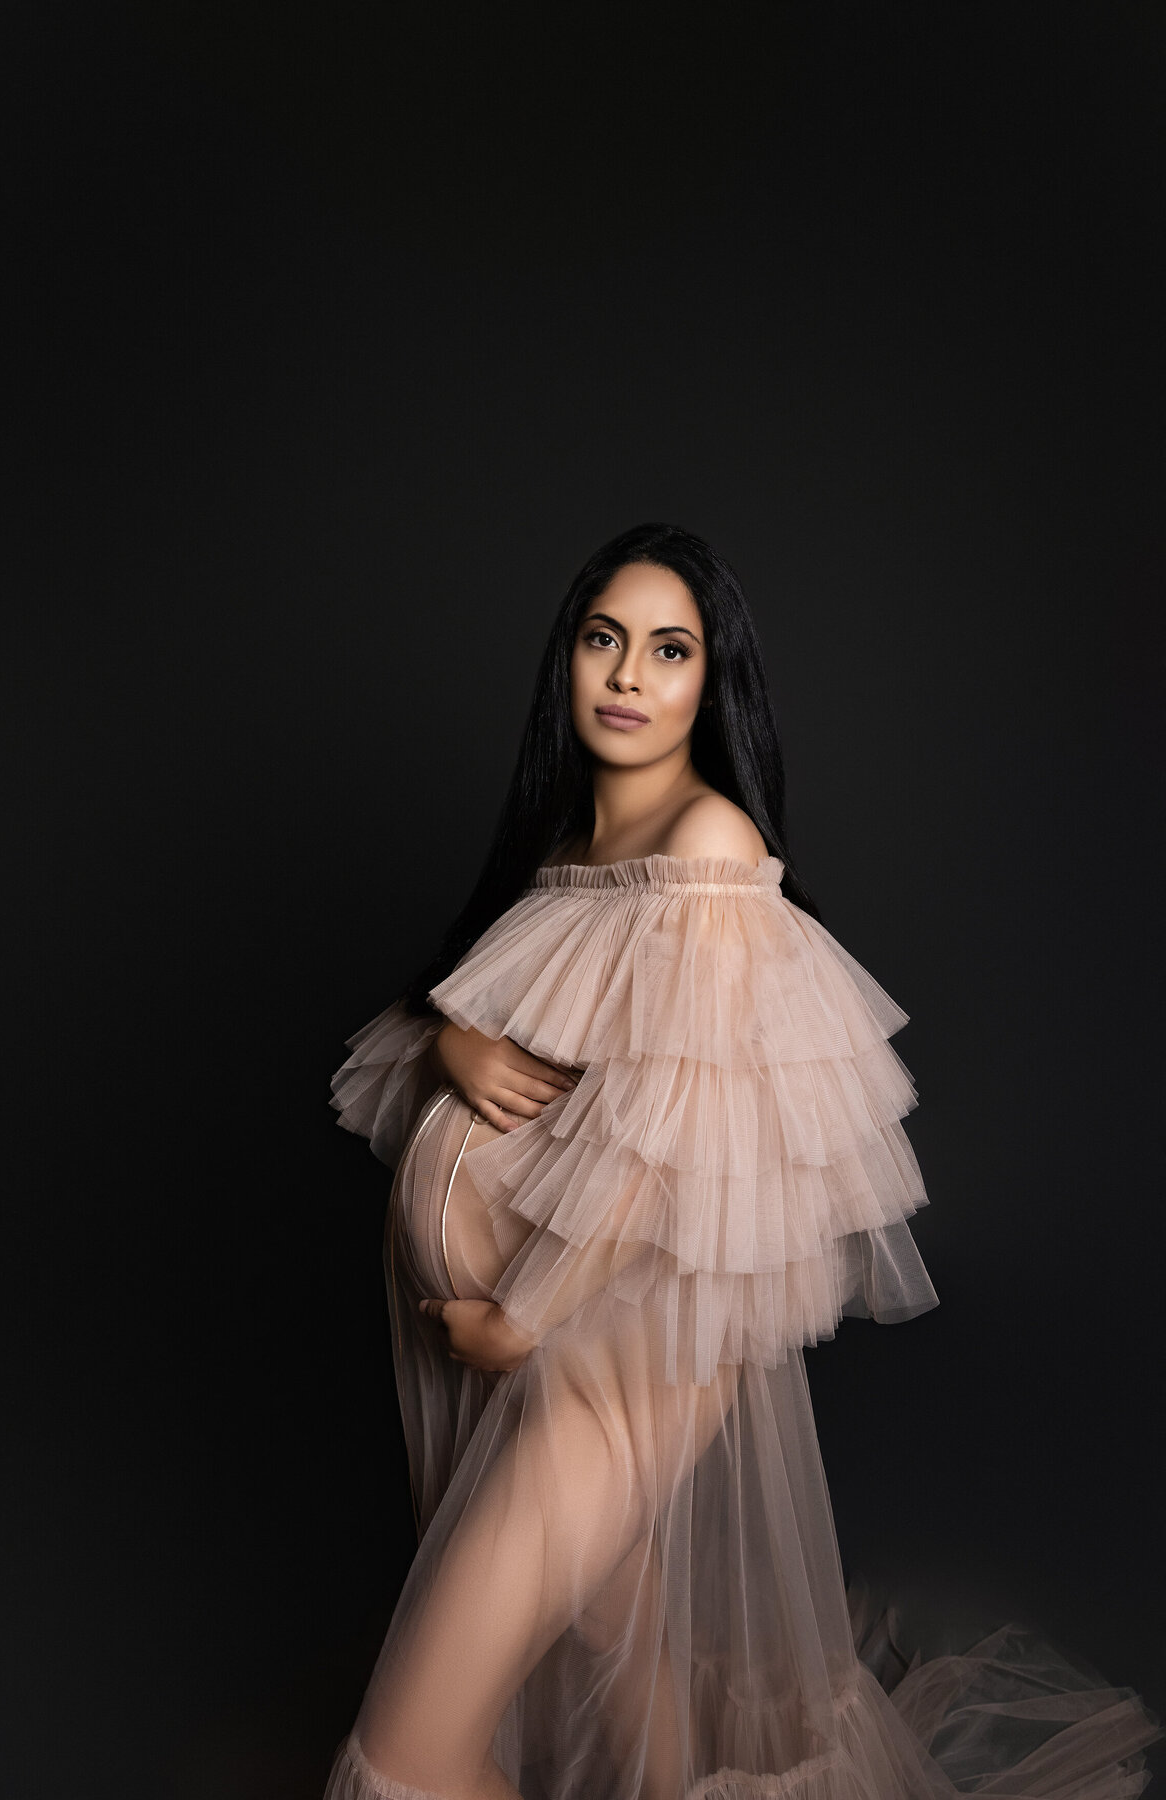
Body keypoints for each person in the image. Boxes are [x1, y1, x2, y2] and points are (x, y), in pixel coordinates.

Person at [322, 524, 1160, 1800]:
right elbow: (516, 1032)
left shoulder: (707, 850)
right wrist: (452, 1038)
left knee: (412, 1755)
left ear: (712, 686)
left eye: (670, 651)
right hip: (528, 1347)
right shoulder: (570, 849)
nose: (627, 675)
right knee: (626, 1661)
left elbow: (677, 1144)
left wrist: (524, 1315)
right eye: (604, 639)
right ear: (567, 661)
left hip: (602, 1357)